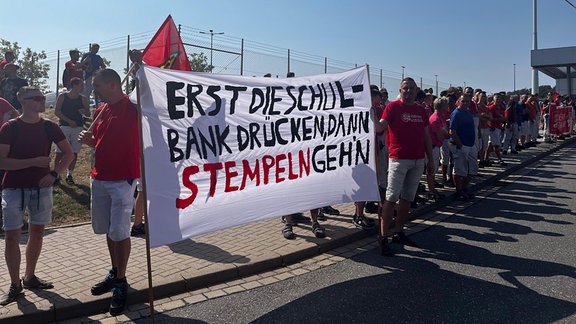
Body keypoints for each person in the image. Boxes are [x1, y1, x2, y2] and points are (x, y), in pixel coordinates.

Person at [0, 86, 73, 305]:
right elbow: (2, 162)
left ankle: (29, 276)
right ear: (24, 102)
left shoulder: (49, 126)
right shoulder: (9, 128)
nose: (43, 101)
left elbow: (68, 154)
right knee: (12, 237)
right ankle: (15, 284)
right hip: (13, 189)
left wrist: (54, 173)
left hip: (42, 189)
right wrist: (33, 161)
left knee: (37, 233)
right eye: (37, 98)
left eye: (42, 97)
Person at [78, 68, 140, 316]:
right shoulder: (101, 110)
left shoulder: (132, 106)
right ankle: (115, 271)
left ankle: (121, 282)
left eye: (98, 85)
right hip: (99, 178)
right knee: (107, 229)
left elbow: (149, 94)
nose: (95, 90)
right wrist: (89, 140)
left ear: (114, 84)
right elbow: (101, 140)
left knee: (120, 231)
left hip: (122, 180)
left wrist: (140, 67)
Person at [376, 77, 434, 256]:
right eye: (405, 88)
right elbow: (380, 127)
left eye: (412, 88)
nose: (408, 91)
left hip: (417, 160)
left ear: (417, 91)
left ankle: (399, 231)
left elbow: (426, 136)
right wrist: (368, 113)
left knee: (407, 198)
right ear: (400, 90)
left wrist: (430, 159)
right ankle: (383, 237)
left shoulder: (421, 110)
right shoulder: (392, 107)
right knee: (391, 198)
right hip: (398, 159)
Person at [54, 77, 90, 185]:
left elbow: (88, 113)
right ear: (74, 85)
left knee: (74, 152)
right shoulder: (62, 96)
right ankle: (56, 174)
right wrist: (68, 121)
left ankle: (69, 174)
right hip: (64, 126)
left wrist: (85, 111)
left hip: (78, 127)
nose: (82, 87)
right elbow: (57, 111)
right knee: (60, 152)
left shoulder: (83, 98)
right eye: (81, 85)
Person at [449, 93, 478, 200]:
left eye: (467, 101)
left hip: (471, 144)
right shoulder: (456, 113)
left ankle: (465, 187)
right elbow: (452, 131)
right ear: (459, 102)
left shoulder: (468, 111)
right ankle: (459, 190)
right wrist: (460, 145)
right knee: (459, 169)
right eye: (463, 101)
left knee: (473, 168)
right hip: (460, 145)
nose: (465, 103)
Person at [426, 96, 449, 201]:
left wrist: (444, 132)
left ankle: (433, 189)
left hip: (436, 146)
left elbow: (444, 132)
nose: (447, 107)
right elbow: (440, 135)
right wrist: (444, 132)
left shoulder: (440, 117)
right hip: (433, 146)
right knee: (431, 170)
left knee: (434, 169)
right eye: (446, 105)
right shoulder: (435, 118)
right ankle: (431, 191)